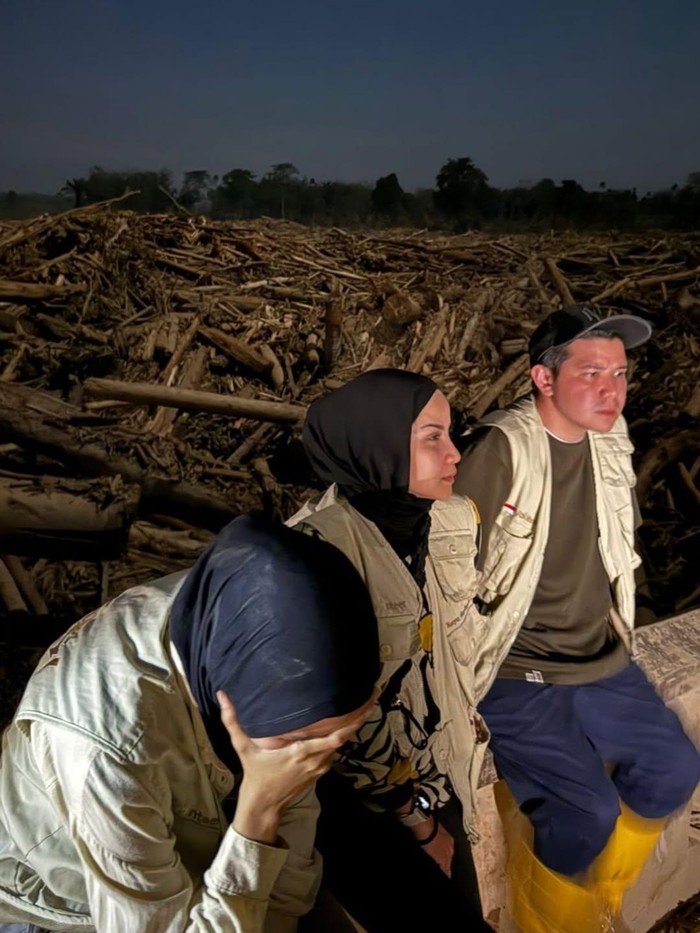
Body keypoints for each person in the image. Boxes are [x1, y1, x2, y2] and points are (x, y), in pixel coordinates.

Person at [0, 514, 380, 933]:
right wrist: (259, 813)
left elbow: (289, 878)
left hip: (185, 847)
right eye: (302, 740)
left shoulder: (236, 626)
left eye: (338, 740)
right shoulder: (109, 748)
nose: (312, 760)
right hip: (67, 904)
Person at [454, 304, 700, 931]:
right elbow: (449, 574)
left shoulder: (609, 439)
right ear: (543, 378)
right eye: (591, 373)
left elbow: (617, 551)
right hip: (518, 667)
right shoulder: (500, 451)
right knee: (586, 812)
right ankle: (553, 923)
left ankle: (599, 900)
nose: (611, 390)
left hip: (598, 655)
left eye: (619, 374)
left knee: (674, 768)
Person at [289, 368, 491, 932]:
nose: (453, 454)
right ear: (375, 443)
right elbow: (346, 722)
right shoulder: (313, 553)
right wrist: (418, 822)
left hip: (434, 777)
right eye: (432, 437)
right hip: (365, 808)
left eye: (452, 434)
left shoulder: (443, 521)